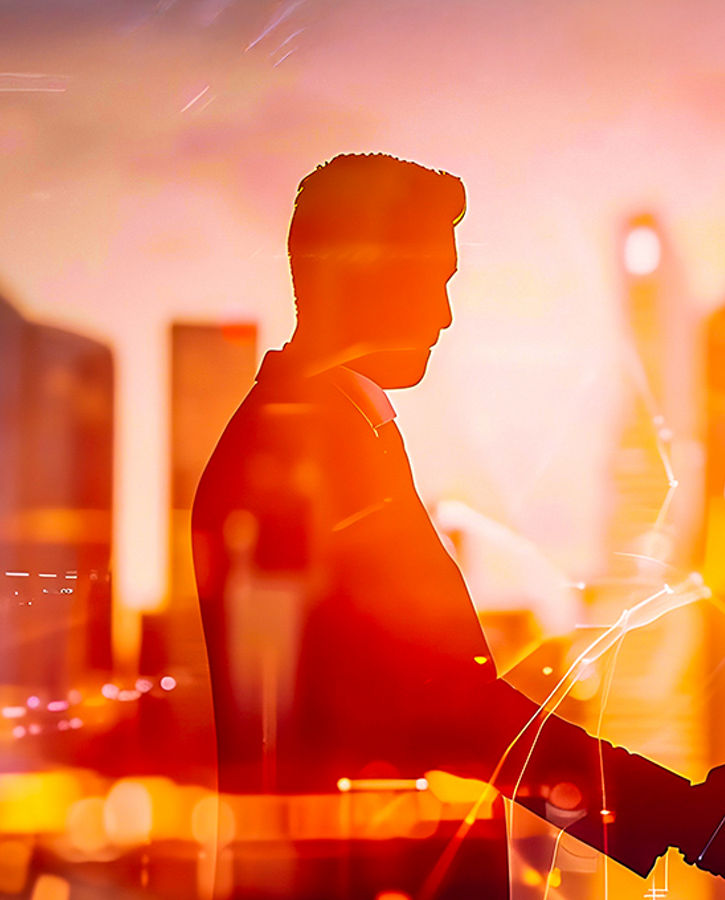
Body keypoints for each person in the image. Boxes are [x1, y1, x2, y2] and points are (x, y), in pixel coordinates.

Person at [192, 154, 725, 899]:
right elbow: (448, 710)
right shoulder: (302, 449)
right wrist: (684, 817)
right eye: (431, 281)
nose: (444, 314)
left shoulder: (325, 434)